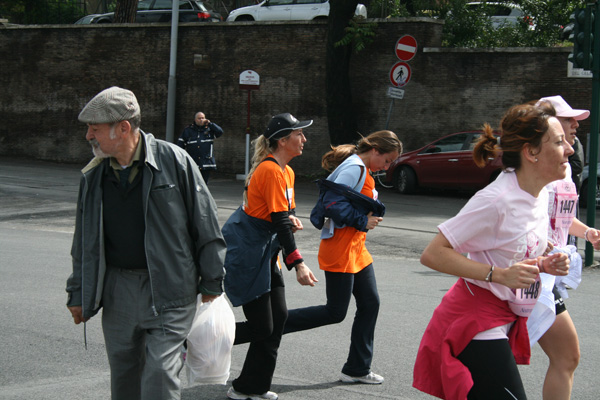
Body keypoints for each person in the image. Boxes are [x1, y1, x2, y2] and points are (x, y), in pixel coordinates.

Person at [65, 87, 226, 400]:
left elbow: (205, 222)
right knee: (124, 374)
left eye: (94, 128)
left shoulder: (174, 161)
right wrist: (78, 292)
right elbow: (83, 241)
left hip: (169, 287)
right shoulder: (94, 176)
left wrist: (211, 281)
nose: (88, 136)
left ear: (123, 128)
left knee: (160, 376)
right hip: (117, 289)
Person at [413, 101, 572, 400]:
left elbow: (512, 251)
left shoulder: (540, 193)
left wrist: (543, 264)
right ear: (531, 152)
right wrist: (498, 275)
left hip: (503, 315)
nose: (570, 149)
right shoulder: (496, 199)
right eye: (559, 141)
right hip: (473, 320)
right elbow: (433, 253)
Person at [283, 130, 402, 385]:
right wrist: (363, 220)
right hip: (341, 247)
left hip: (356, 248)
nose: (387, 166)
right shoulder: (355, 168)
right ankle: (270, 325)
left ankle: (357, 369)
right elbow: (332, 205)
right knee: (335, 312)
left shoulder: (360, 167)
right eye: (387, 160)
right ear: (376, 151)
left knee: (370, 304)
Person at [222, 113, 318, 400]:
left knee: (279, 318)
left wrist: (292, 219)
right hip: (250, 252)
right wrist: (298, 263)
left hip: (267, 251)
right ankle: (196, 342)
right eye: (298, 134)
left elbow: (283, 214)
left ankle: (252, 386)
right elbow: (278, 220)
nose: (304, 139)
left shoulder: (286, 172)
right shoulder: (271, 170)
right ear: (282, 140)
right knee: (263, 326)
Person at [528, 96, 600, 400]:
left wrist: (588, 233)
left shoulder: (565, 169)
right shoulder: (533, 172)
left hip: (545, 274)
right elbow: (520, 220)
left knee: (567, 356)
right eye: (568, 120)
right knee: (566, 355)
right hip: (527, 274)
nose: (576, 125)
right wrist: (542, 248)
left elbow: (562, 219)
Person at [177, 111, 224, 183]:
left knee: (204, 185)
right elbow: (180, 145)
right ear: (195, 119)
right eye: (199, 118)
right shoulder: (188, 130)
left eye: (203, 118)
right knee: (193, 183)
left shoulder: (209, 130)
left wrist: (210, 124)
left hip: (206, 162)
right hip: (193, 162)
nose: (201, 120)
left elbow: (220, 132)